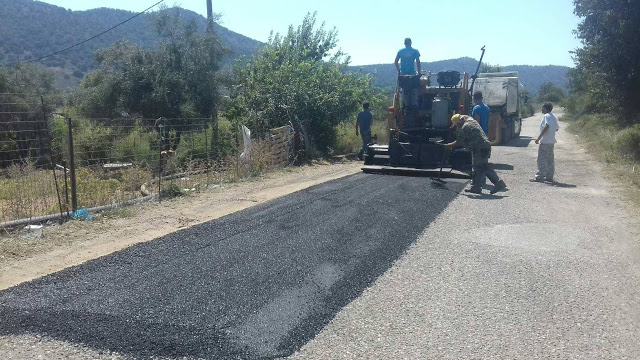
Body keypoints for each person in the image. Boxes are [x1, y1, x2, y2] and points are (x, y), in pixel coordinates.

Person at [445, 115, 507, 194]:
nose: (458, 127)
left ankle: (498, 183)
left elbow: (459, 142)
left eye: (457, 125)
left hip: (480, 147)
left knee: (483, 166)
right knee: (477, 167)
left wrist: (449, 145)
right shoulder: (470, 120)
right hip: (482, 146)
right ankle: (476, 187)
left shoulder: (465, 127)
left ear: (460, 122)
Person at [531, 102, 560, 183]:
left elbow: (547, 126)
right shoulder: (553, 117)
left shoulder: (546, 116)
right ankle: (549, 176)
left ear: (546, 108)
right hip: (551, 142)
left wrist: (538, 138)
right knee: (550, 159)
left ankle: (540, 176)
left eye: (542, 108)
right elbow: (556, 128)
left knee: (542, 159)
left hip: (545, 141)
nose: (541, 109)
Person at [394, 38, 421, 113]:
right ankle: (414, 105)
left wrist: (399, 70)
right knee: (414, 89)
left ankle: (406, 105)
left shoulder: (400, 51)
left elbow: (396, 61)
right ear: (411, 43)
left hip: (403, 74)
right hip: (412, 73)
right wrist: (419, 72)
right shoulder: (415, 51)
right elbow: (418, 62)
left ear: (404, 43)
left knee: (405, 90)